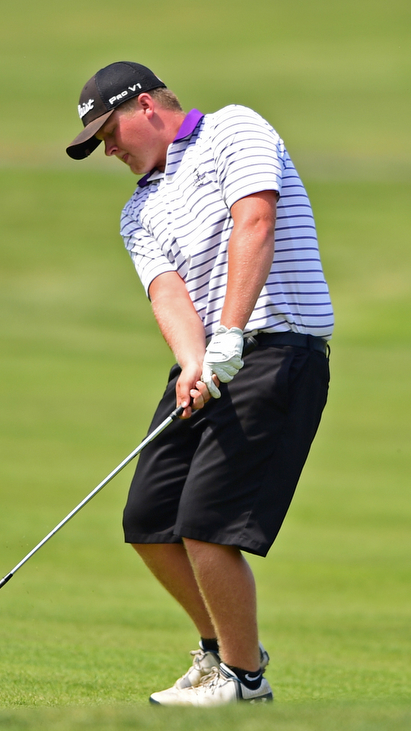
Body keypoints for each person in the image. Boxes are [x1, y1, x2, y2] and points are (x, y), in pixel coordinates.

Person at [66, 61, 333, 707]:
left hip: (277, 348)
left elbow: (255, 223)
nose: (109, 150)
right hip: (214, 358)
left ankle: (243, 681)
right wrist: (194, 360)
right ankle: (222, 656)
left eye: (109, 133)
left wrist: (230, 335)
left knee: (207, 525)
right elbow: (166, 292)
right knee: (149, 519)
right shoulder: (139, 209)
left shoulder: (233, 130)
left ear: (147, 108)